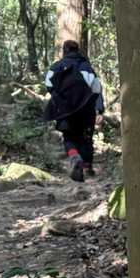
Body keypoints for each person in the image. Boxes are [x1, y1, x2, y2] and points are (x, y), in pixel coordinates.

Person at [43, 39, 105, 182]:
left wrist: (60, 98)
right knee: (86, 138)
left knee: (69, 137)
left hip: (65, 109)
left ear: (64, 51)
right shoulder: (86, 67)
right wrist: (99, 110)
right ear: (78, 50)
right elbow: (96, 89)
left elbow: (49, 85)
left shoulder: (56, 67)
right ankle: (87, 168)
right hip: (86, 109)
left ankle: (74, 156)